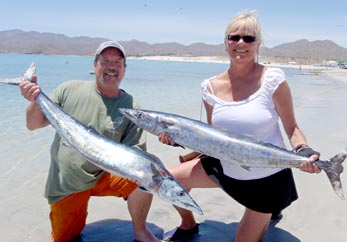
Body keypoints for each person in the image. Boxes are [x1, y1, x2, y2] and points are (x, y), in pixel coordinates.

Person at [159, 11, 321, 242]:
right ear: (226, 42)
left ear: (258, 44)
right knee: (162, 179)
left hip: (265, 178)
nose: (241, 43)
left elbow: (292, 128)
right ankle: (188, 223)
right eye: (234, 37)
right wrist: (178, 139)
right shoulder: (210, 87)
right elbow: (210, 134)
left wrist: (304, 150)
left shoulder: (273, 80)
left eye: (249, 38)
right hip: (224, 168)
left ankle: (270, 210)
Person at [19, 41, 160, 242]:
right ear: (95, 66)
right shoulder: (68, 90)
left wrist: (147, 170)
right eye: (105, 61)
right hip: (68, 182)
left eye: (118, 62)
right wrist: (34, 99)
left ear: (124, 69)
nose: (112, 67)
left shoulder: (131, 106)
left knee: (149, 177)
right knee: (66, 238)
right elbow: (33, 125)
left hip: (107, 175)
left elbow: (134, 150)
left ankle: (141, 231)